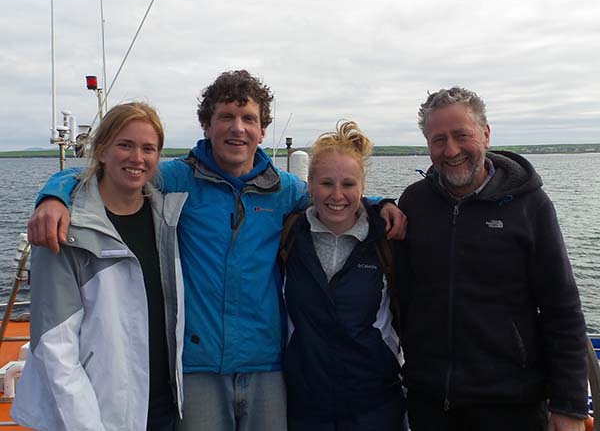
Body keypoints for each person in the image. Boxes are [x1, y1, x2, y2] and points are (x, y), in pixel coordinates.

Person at [25, 70, 406, 431]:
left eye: (248, 118)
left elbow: (334, 197)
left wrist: (380, 204)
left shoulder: (284, 189)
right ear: (207, 125)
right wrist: (54, 194)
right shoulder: (175, 180)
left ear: (262, 130)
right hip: (198, 366)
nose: (237, 127)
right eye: (225, 116)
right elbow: (109, 172)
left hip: (266, 365)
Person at [396, 87, 588, 431]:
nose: (451, 150)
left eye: (461, 135)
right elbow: (400, 295)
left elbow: (562, 308)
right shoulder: (414, 202)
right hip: (429, 400)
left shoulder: (530, 205)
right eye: (438, 139)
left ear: (485, 133)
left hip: (512, 404)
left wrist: (569, 404)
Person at [11, 102, 187, 431]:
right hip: (98, 415)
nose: (137, 158)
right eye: (125, 145)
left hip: (162, 407)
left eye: (148, 148)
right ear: (102, 150)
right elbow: (54, 349)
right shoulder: (65, 229)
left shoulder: (167, 220)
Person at [281, 121, 406, 431]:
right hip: (305, 408)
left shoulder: (387, 240)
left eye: (348, 184)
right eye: (326, 183)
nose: (337, 195)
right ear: (308, 185)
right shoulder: (288, 237)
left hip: (375, 406)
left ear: (362, 187)